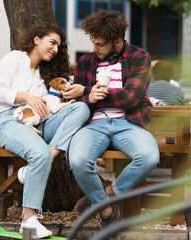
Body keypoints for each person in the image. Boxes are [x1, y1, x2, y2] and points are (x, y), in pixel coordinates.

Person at [0, 23, 90, 238]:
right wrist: (28, 97)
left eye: (58, 47)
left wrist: (72, 92)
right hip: (10, 121)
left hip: (41, 125)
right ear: (36, 39)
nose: (54, 49)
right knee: (39, 154)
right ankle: (29, 222)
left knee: (80, 108)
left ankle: (47, 157)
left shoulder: (47, 72)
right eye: (52, 42)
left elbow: (53, 105)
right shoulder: (15, 58)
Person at [63, 9, 159, 229]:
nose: (94, 48)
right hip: (93, 124)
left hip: (129, 123)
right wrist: (88, 96)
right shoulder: (87, 62)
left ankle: (108, 193)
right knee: (77, 161)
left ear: (117, 40)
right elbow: (79, 104)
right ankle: (106, 209)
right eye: (93, 42)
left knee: (149, 156)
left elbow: (130, 98)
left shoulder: (139, 57)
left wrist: (89, 92)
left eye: (100, 44)